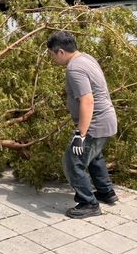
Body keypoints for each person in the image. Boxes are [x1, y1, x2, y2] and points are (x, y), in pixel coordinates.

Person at [47, 31, 119, 219]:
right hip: (105, 120)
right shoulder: (86, 58)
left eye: (53, 55)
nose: (53, 59)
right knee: (94, 157)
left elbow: (87, 101)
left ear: (60, 52)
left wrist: (80, 135)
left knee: (73, 162)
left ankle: (89, 203)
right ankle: (106, 193)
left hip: (95, 123)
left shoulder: (74, 69)